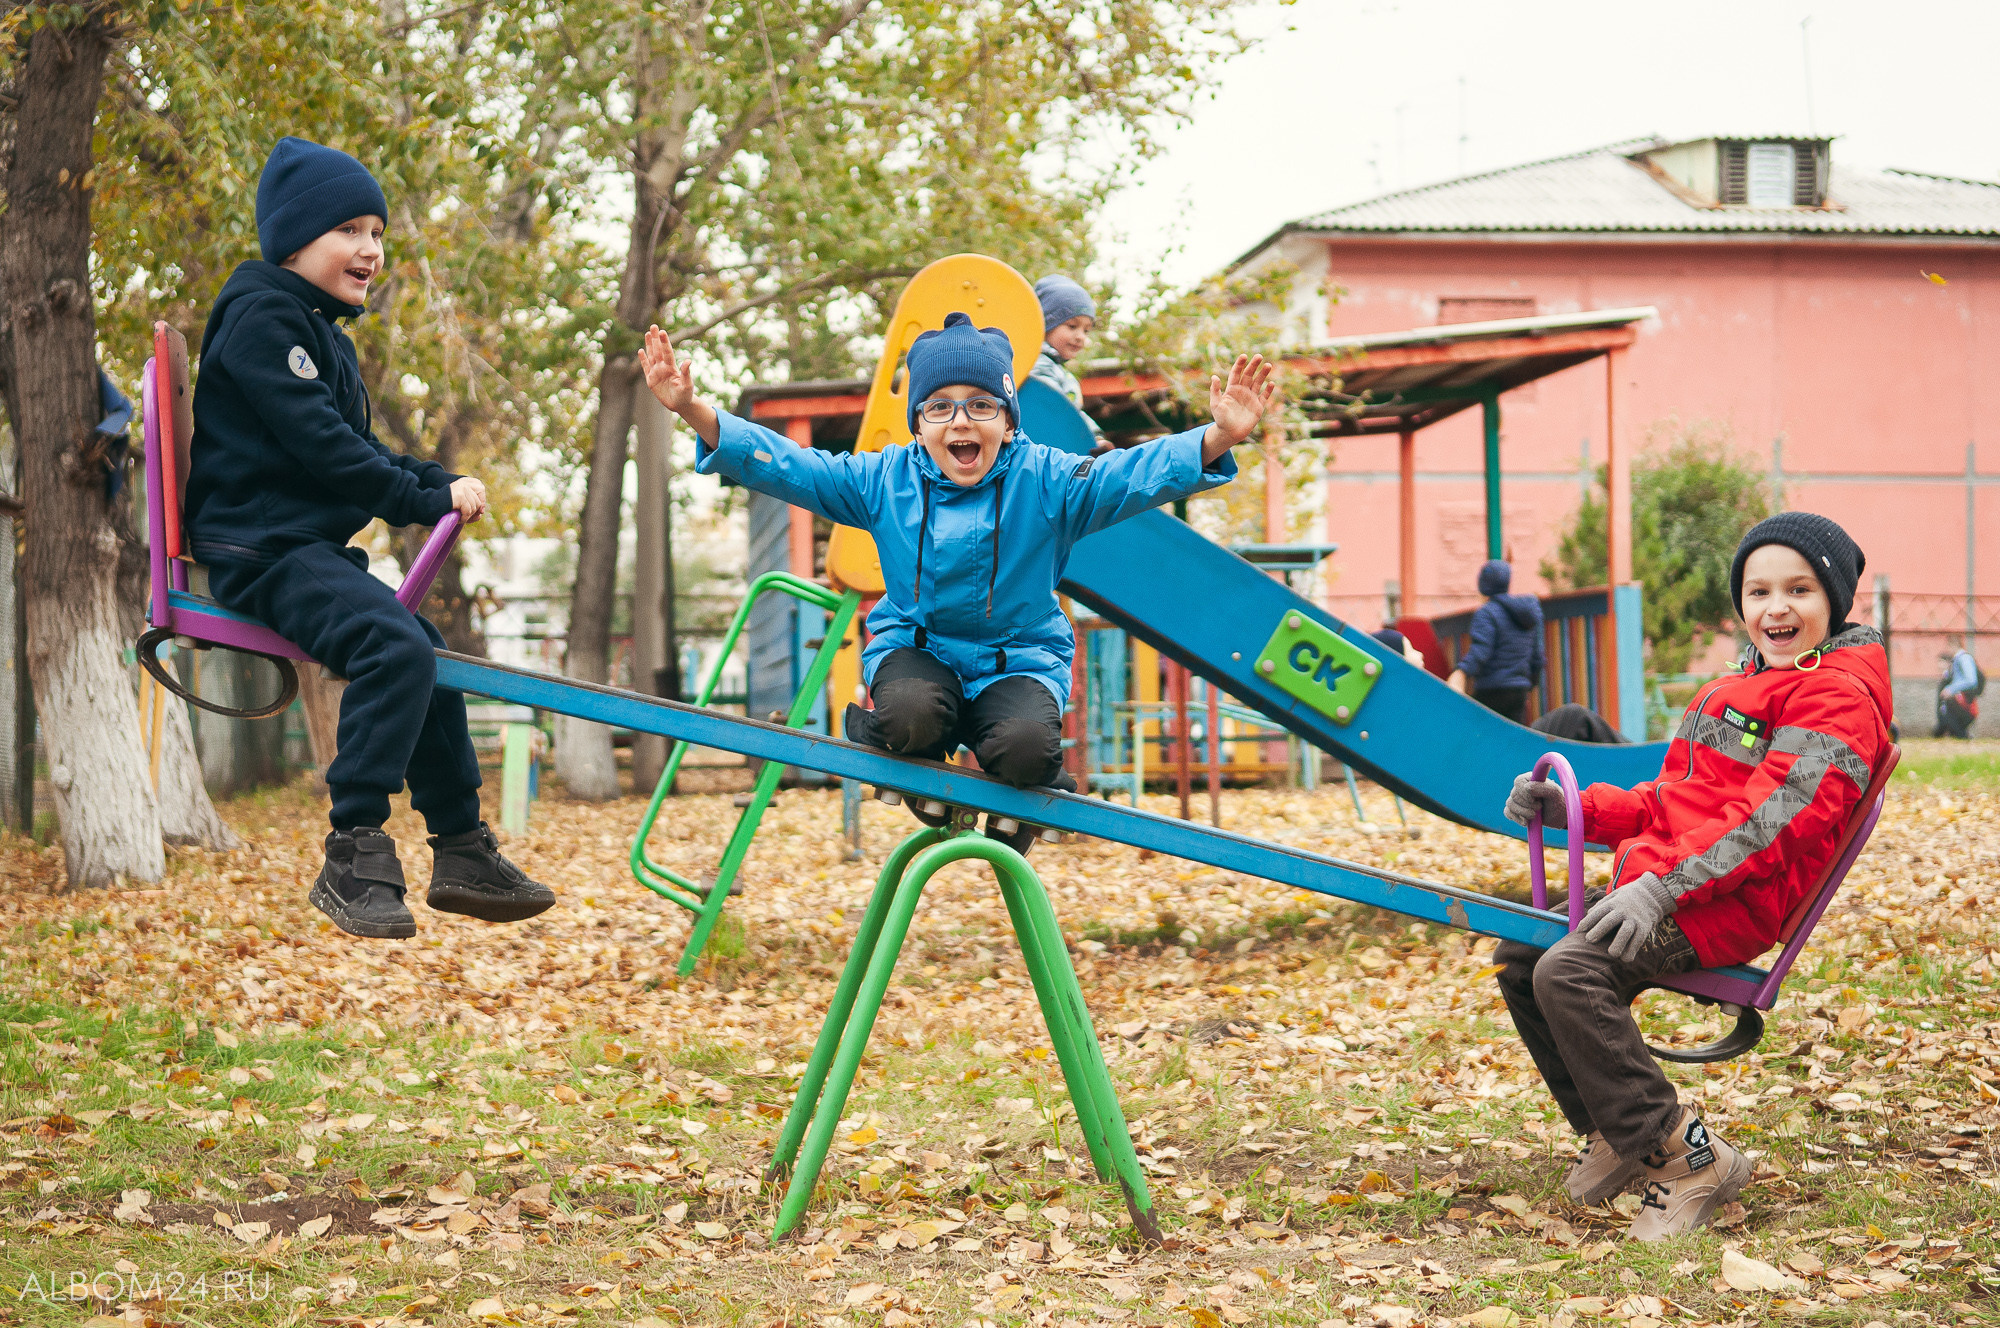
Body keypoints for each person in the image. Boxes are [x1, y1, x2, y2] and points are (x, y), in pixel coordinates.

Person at [639, 314, 1274, 851]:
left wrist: (1217, 437)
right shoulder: (884, 479)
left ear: (1008, 420)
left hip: (1018, 659)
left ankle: (1020, 802)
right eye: (939, 407)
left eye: (981, 406)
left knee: (1026, 749)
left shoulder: (1048, 479)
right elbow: (791, 468)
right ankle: (903, 754)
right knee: (913, 714)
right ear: (919, 422)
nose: (960, 422)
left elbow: (1135, 474)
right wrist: (695, 409)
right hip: (919, 652)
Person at [186, 137, 553, 940]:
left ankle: (460, 847)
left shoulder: (321, 336)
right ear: (294, 238)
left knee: (425, 651)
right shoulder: (262, 320)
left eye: (378, 233)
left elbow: (362, 453)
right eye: (349, 229)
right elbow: (329, 452)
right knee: (398, 649)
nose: (371, 250)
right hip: (264, 554)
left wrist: (431, 484)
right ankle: (353, 849)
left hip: (300, 551)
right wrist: (418, 498)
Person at [1497, 512, 1891, 1239]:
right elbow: (1669, 800)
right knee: (1523, 952)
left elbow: (1772, 823)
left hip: (1731, 899)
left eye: (1799, 589)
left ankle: (1686, 1156)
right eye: (1758, 590)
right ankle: (1616, 1131)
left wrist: (1661, 888)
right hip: (1679, 881)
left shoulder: (1835, 696)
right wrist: (1574, 808)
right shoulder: (1738, 684)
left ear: (1834, 600)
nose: (1776, 607)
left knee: (1570, 972)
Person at [1449, 559, 1544, 722]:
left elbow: (1481, 651)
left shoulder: (1486, 613)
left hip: (1491, 689)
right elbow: (1538, 658)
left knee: (1478, 733)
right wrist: (1529, 684)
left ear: (1482, 585)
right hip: (1519, 691)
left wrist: (1462, 671)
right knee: (1511, 739)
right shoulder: (1528, 614)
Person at [1027, 274, 1104, 445]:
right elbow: (1055, 408)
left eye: (1086, 330)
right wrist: (1091, 440)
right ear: (1046, 324)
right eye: (1072, 326)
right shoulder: (1037, 365)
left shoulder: (1056, 367)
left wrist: (1095, 436)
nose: (1080, 337)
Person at [1934, 642, 1981, 739]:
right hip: (1962, 702)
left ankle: (1964, 737)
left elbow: (1971, 680)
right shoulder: (1957, 660)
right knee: (1948, 721)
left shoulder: (1963, 658)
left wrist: (1951, 689)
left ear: (1953, 645)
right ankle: (1957, 736)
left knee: (1949, 718)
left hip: (1964, 703)